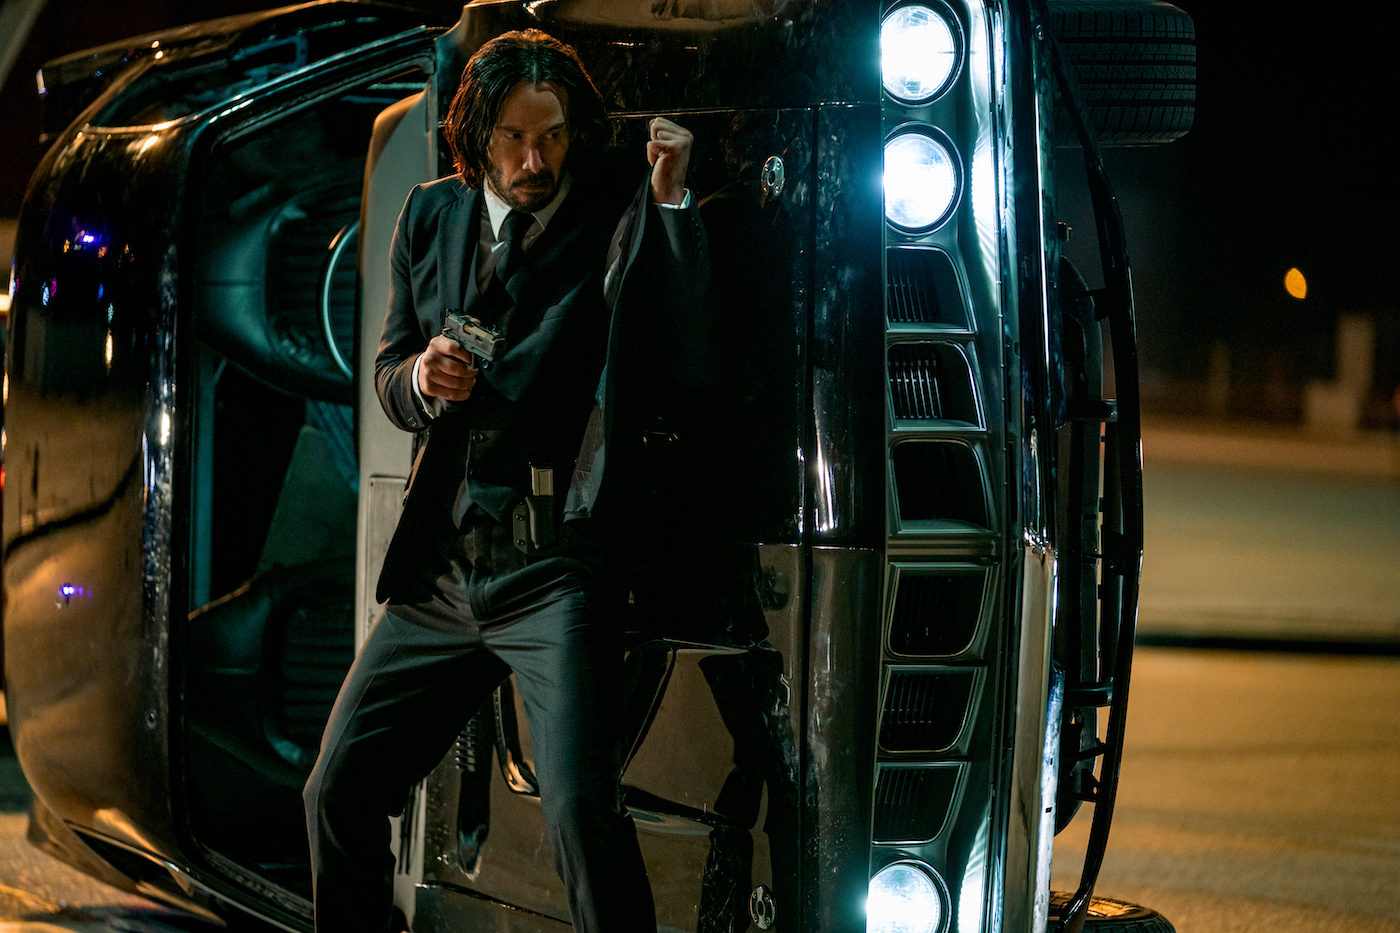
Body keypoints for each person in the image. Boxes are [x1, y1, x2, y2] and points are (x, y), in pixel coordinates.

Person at [302, 29, 707, 933]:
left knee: (581, 813)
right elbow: (388, 375)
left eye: (553, 136)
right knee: (337, 789)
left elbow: (688, 347)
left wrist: (673, 202)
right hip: (445, 573)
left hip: (553, 571)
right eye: (516, 139)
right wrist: (420, 378)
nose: (535, 160)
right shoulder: (429, 216)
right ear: (478, 136)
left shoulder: (614, 204)